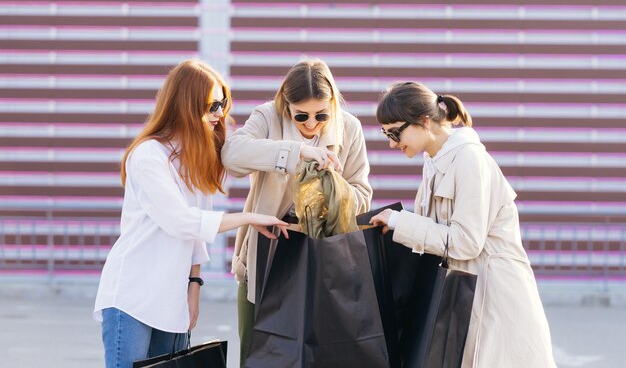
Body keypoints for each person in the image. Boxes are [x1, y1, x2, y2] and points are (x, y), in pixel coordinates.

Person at [93, 60, 289, 368]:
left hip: (172, 297)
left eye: (222, 104)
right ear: (186, 104)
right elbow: (181, 221)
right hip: (132, 296)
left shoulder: (197, 160)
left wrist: (194, 283)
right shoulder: (148, 156)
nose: (219, 114)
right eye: (212, 105)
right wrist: (248, 217)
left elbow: (196, 233)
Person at [369, 82, 556, 368]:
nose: (392, 142)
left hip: (493, 299)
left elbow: (467, 241)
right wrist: (396, 226)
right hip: (464, 293)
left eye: (395, 132)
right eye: (386, 133)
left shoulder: (469, 159)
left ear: (424, 121)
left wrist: (400, 221)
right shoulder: (433, 161)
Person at [221, 59, 373, 366]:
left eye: (321, 115)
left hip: (323, 256)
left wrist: (330, 189)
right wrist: (297, 152)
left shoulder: (349, 128)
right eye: (301, 115)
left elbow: (362, 195)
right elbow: (232, 157)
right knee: (257, 352)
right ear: (285, 104)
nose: (312, 123)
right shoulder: (268, 117)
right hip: (268, 250)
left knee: (320, 353)